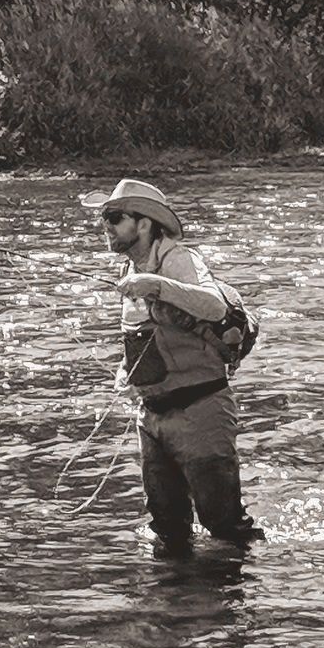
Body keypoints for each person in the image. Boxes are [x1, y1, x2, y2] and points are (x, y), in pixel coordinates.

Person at [80, 178, 259, 558]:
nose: (105, 227)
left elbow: (213, 307)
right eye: (103, 219)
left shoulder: (179, 259)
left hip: (201, 412)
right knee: (167, 529)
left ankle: (230, 609)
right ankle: (172, 607)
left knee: (225, 526)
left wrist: (155, 285)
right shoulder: (133, 271)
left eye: (113, 217)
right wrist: (124, 374)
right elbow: (143, 343)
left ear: (144, 223)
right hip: (153, 418)